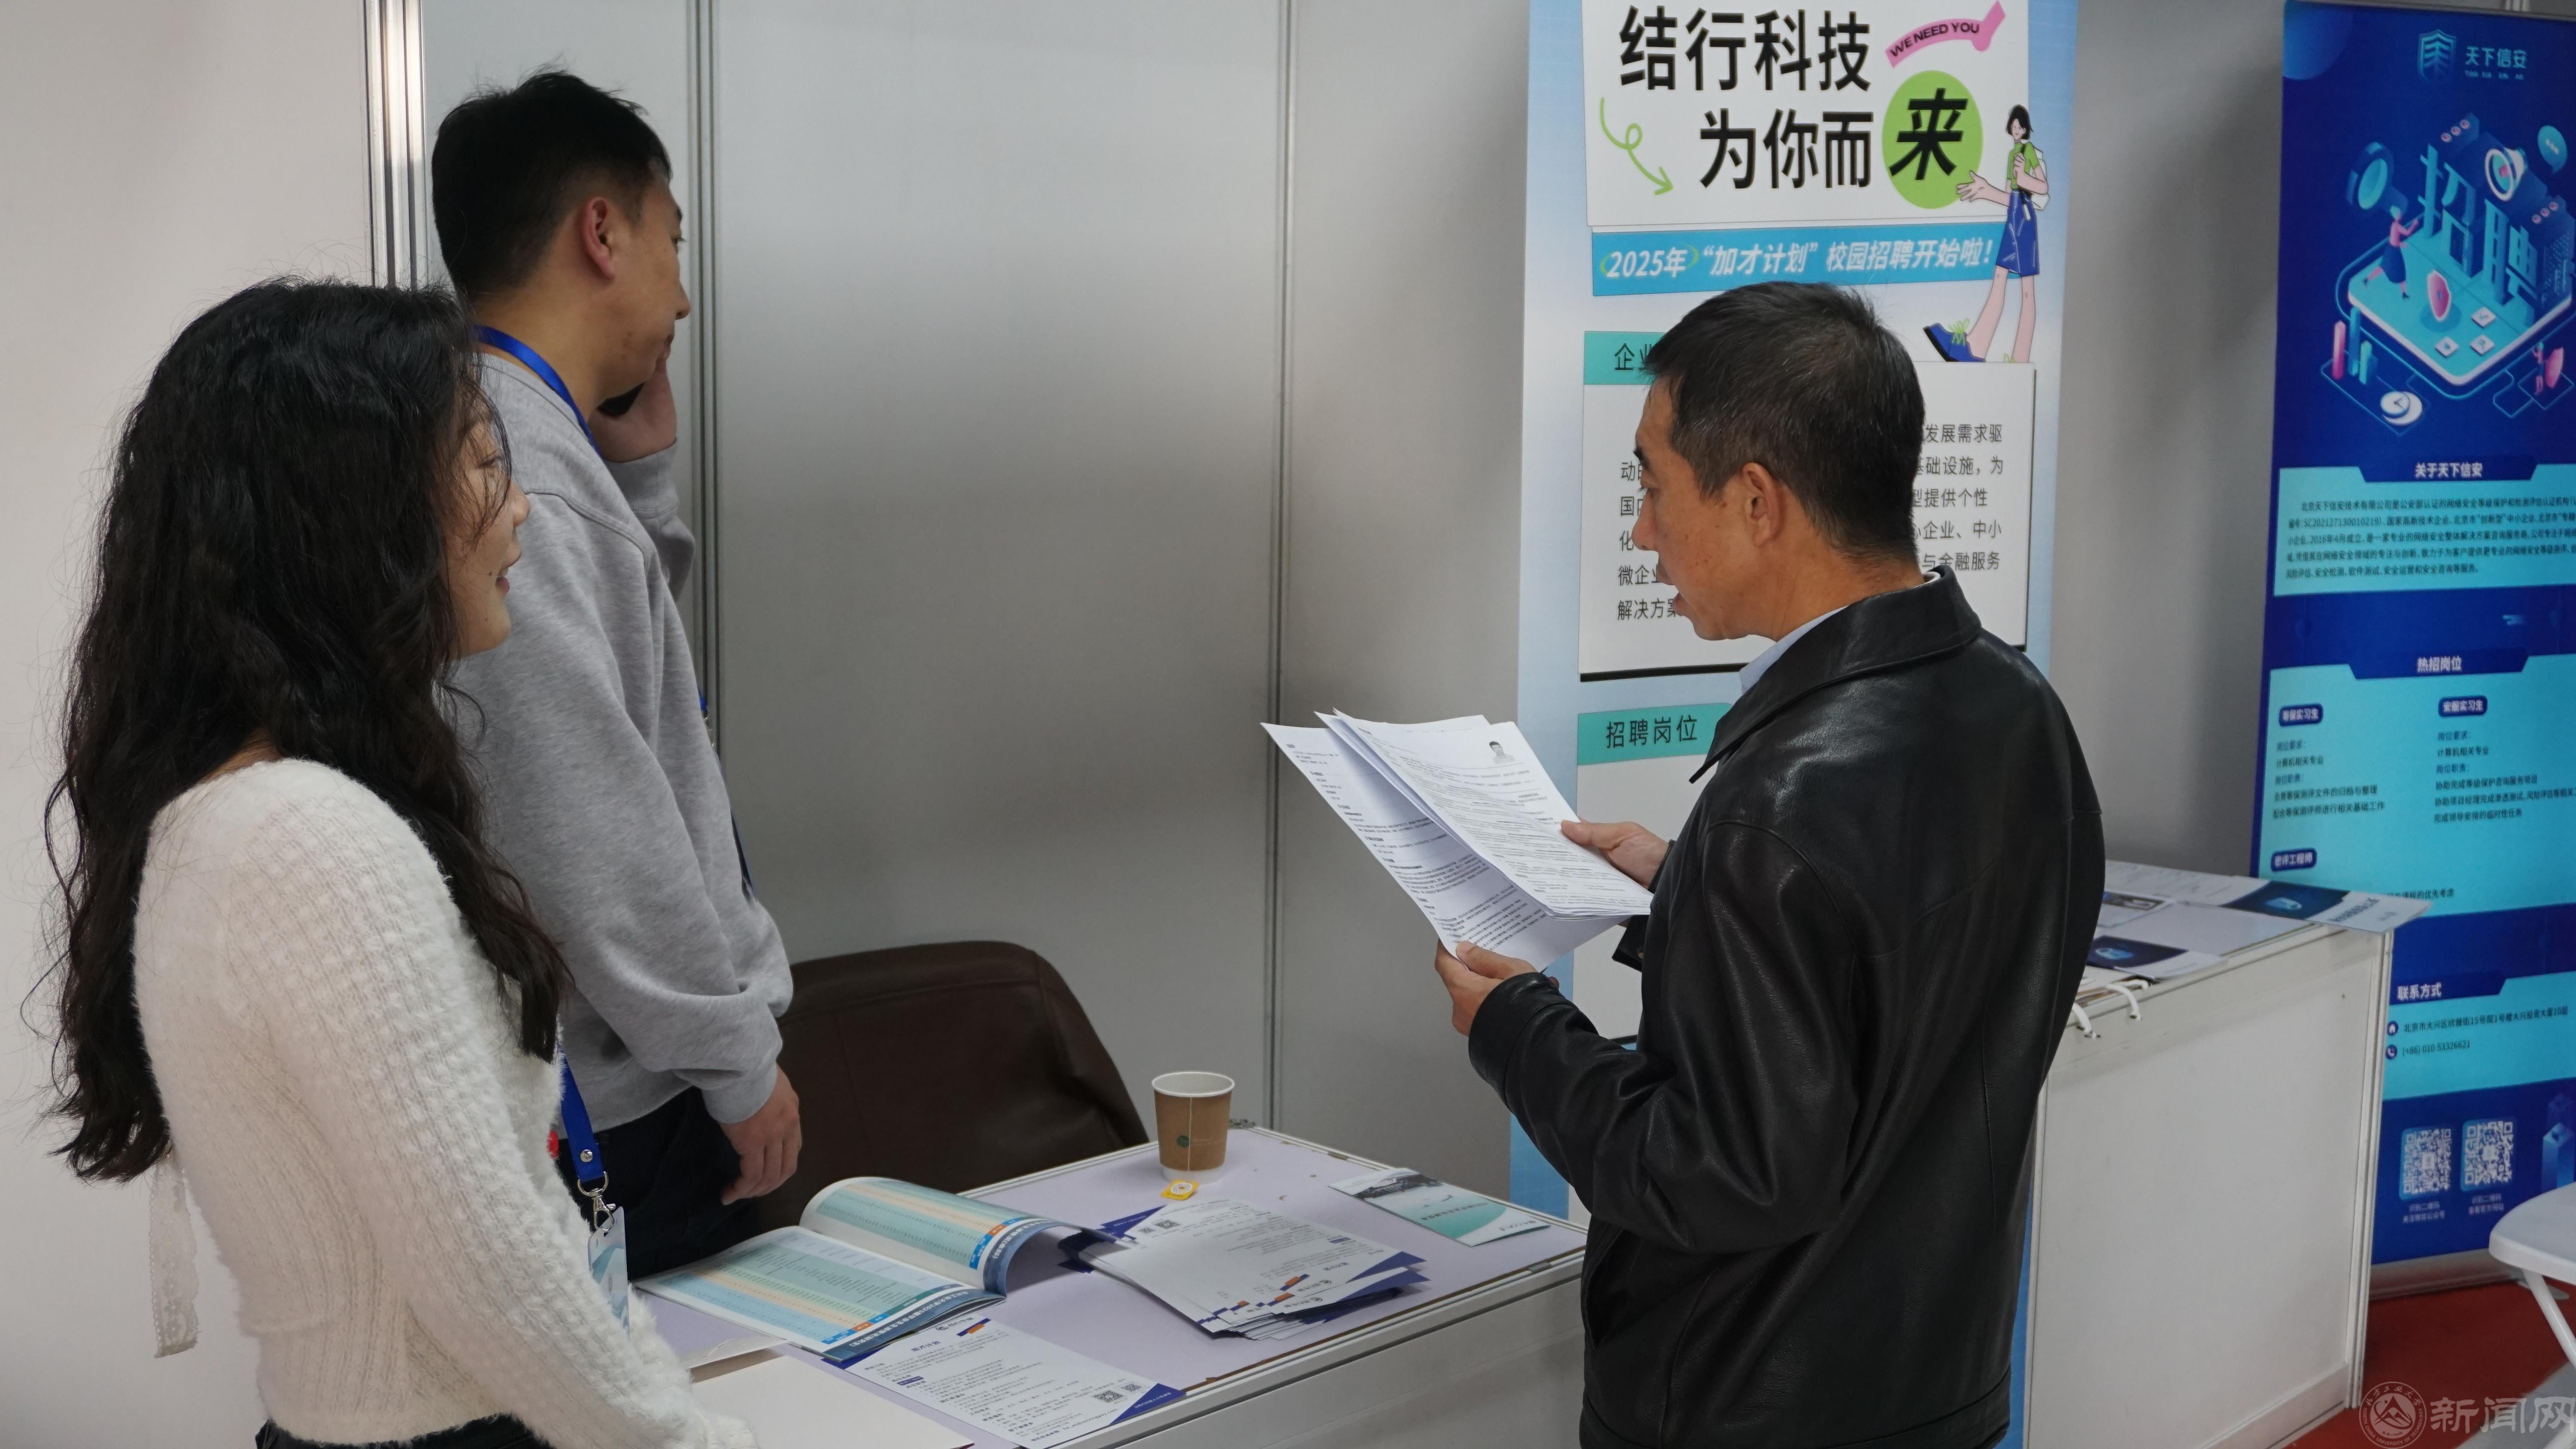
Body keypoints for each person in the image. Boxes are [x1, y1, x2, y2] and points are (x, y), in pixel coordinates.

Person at [43, 280, 751, 1449]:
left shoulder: (242, 814)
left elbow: (528, 1229)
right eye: (480, 464)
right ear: (352, 516)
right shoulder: (309, 842)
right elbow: (491, 1270)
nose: (518, 507)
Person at [1433, 282, 2102, 1449]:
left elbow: (1720, 1175)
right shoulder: (2018, 706)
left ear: (1755, 502)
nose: (1643, 533)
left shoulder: (1778, 803)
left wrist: (1519, 1027)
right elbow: (1902, 980)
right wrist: (1684, 886)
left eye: (1653, 486)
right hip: (1939, 1378)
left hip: (1750, 1400)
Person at [431, 71, 797, 1276]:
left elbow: (625, 685)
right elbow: (581, 818)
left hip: (634, 1072)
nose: (682, 293)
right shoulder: (510, 466)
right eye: (671, 241)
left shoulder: (506, 431)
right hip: (624, 1105)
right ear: (603, 231)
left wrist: (640, 482)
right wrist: (736, 1064)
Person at [1928, 104, 2049, 364]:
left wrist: (2023, 178)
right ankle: (1976, 348)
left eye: (2020, 127)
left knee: (2027, 289)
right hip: (2014, 214)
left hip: (2025, 218)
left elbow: (2042, 187)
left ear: (2026, 129)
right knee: (2000, 275)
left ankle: (2020, 360)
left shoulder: (2029, 151)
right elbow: (2009, 196)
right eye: (2013, 127)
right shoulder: (2012, 154)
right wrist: (1986, 191)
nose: (2016, 131)